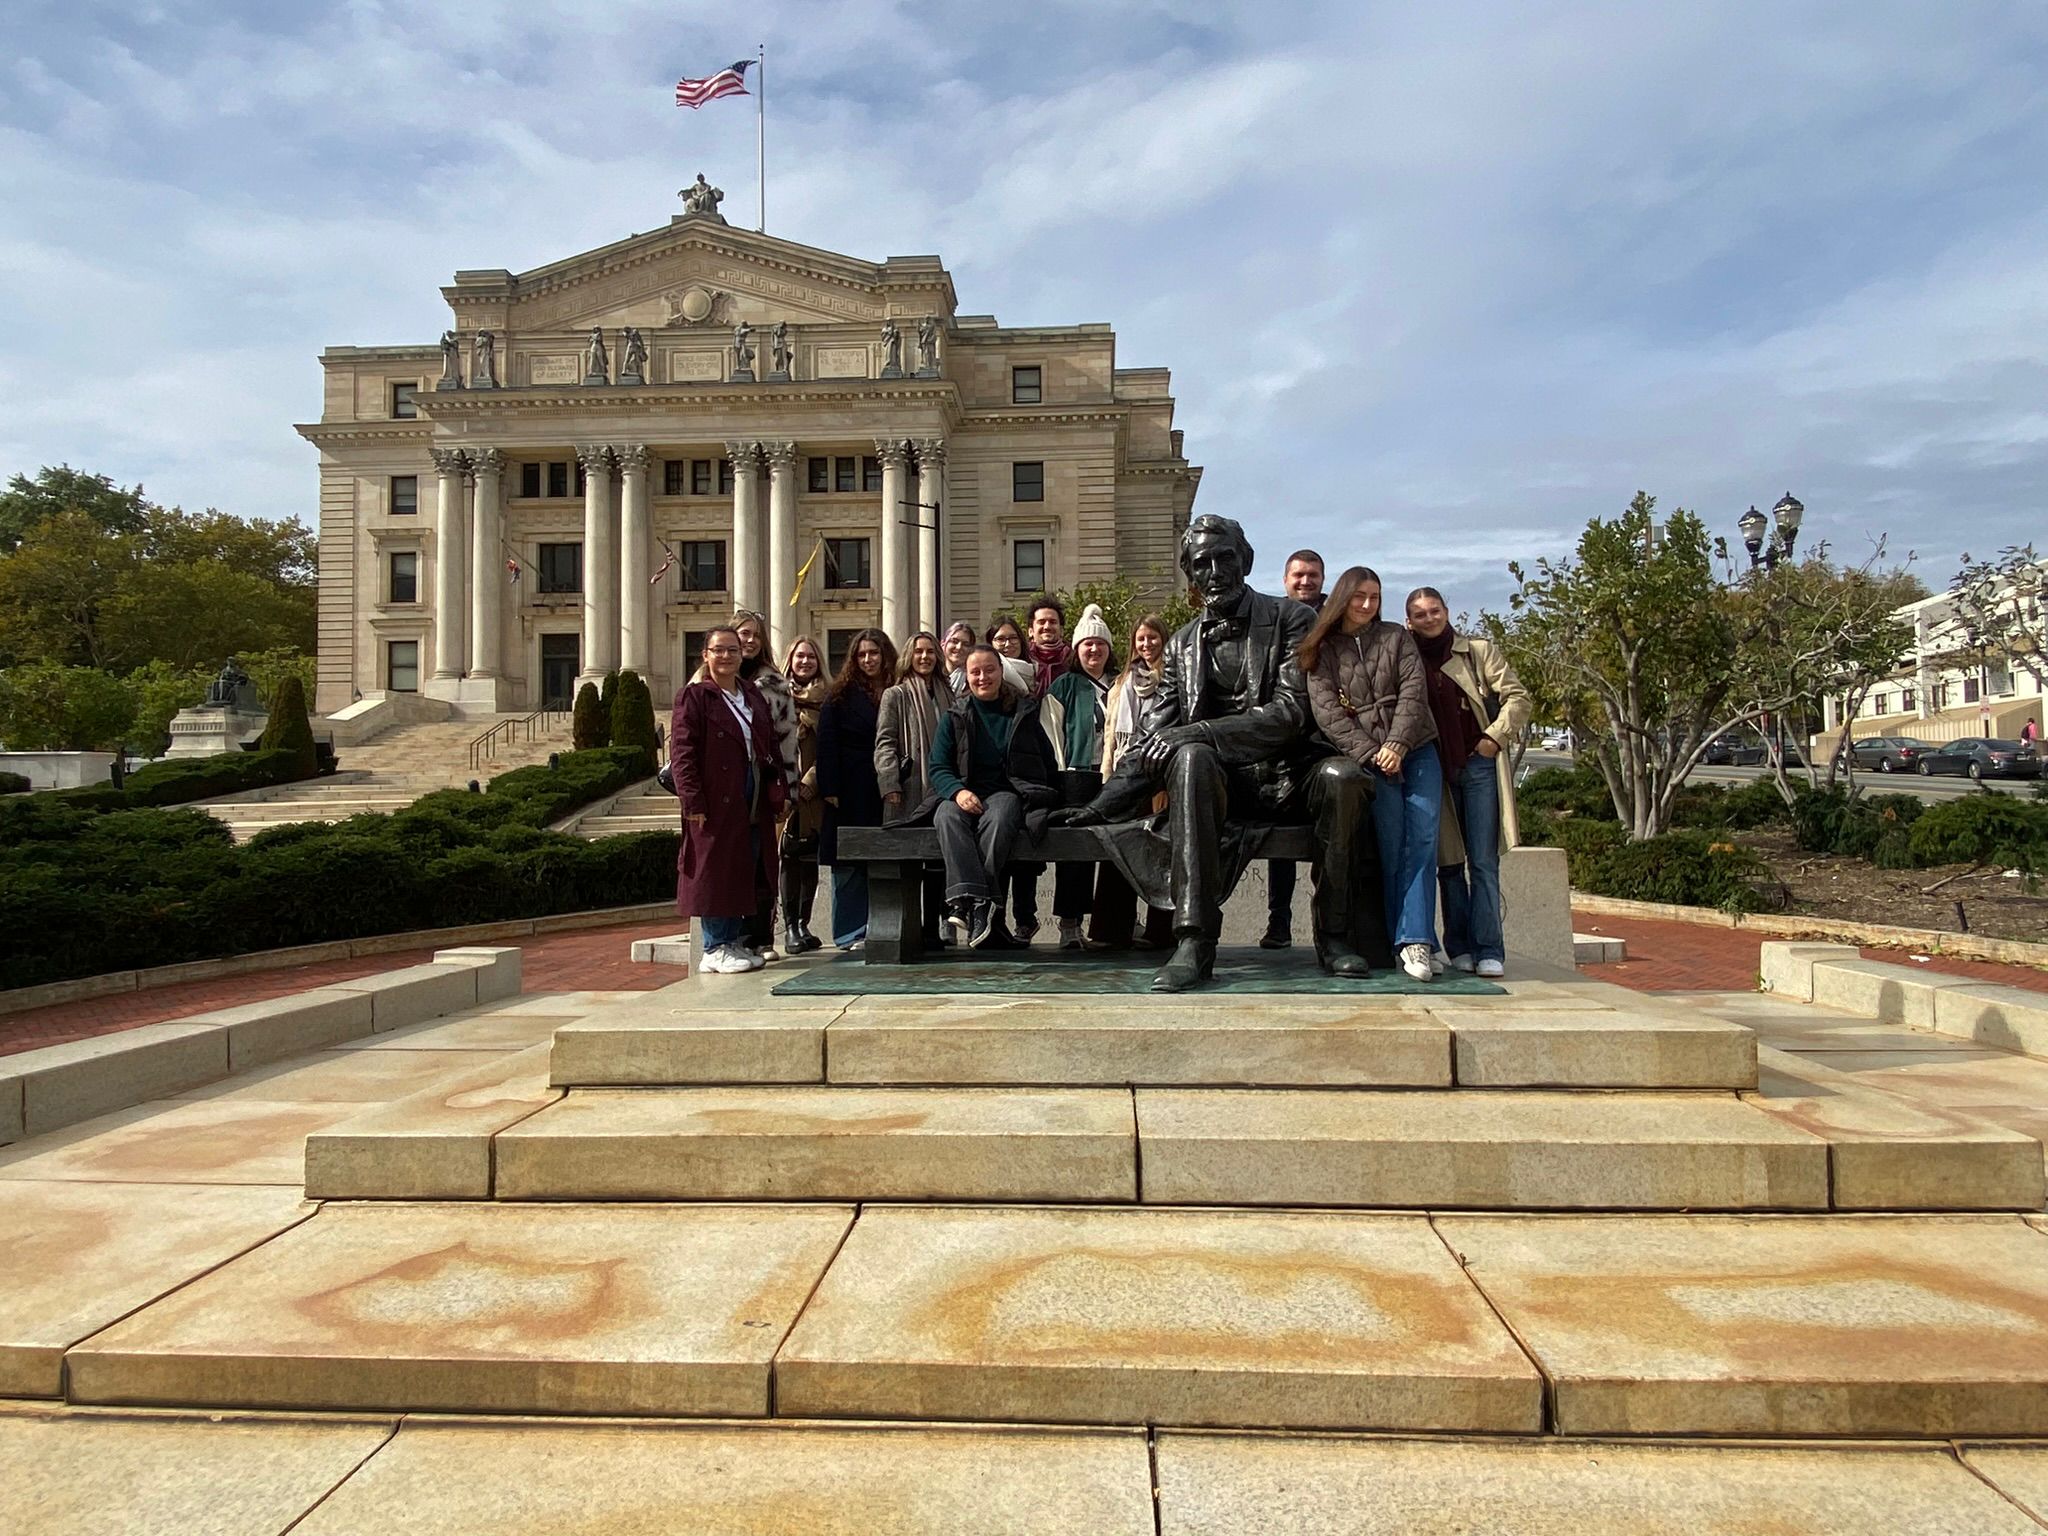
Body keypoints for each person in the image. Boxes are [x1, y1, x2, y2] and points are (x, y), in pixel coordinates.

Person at [1063, 516, 1383, 991]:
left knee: (1344, 778)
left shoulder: (1293, 619)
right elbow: (1154, 740)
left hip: (1292, 774)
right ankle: (1194, 941)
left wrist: (1199, 732)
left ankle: (1334, 934)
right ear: (1189, 575)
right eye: (1200, 564)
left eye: (1224, 558)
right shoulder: (1180, 646)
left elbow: (1292, 712)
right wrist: (1098, 806)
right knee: (1189, 759)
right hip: (1219, 790)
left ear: (1246, 561)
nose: (1214, 572)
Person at [1301, 566, 1443, 983]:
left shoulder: (1395, 638)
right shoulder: (1322, 650)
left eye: (1375, 597)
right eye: (1359, 596)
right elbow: (1328, 715)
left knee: (1423, 841)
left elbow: (1415, 692)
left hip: (1416, 750)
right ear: (1343, 597)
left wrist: (1397, 744)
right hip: (1371, 761)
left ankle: (1415, 940)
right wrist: (1372, 752)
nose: (1366, 605)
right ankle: (1404, 938)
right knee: (1391, 842)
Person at [1406, 586, 1531, 979]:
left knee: (1482, 862)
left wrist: (1493, 738)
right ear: (1409, 620)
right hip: (1433, 769)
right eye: (1420, 614)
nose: (1430, 619)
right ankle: (1459, 946)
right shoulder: (1406, 657)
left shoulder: (1476, 652)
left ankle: (1489, 948)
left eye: (1435, 610)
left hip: (1476, 766)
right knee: (1448, 864)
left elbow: (1517, 697)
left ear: (1446, 611)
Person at [924, 644, 1063, 947]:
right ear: (967, 676)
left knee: (999, 818)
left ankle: (967, 901)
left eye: (989, 670)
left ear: (1002, 672)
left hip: (1008, 793)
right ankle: (979, 900)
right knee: (946, 815)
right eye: (975, 672)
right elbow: (938, 767)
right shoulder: (955, 716)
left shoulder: (1024, 713)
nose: (982, 677)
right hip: (964, 793)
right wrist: (957, 792)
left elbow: (1047, 762)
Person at [671, 626, 789, 974]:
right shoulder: (694, 697)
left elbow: (770, 745)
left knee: (746, 866)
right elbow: (683, 753)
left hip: (750, 791)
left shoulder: (750, 694)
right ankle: (714, 945)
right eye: (718, 650)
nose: (726, 657)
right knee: (715, 871)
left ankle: (734, 939)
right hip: (714, 798)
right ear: (705, 655)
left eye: (733, 650)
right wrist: (693, 802)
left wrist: (778, 788)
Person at [1088, 613, 1175, 950]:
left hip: (1162, 777)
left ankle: (1161, 930)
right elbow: (1112, 733)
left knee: (1161, 851)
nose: (1146, 644)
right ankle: (1111, 931)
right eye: (1141, 638)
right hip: (1126, 774)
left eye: (1153, 637)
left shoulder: (1174, 678)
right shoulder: (1122, 682)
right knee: (1118, 849)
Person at [816, 628, 896, 950]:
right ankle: (849, 932)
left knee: (885, 862)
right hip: (849, 788)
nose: (868, 660)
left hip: (889, 787)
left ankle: (882, 926)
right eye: (861, 654)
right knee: (848, 865)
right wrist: (830, 787)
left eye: (873, 653)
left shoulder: (898, 690)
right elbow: (826, 744)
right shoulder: (839, 695)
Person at [1044, 604, 1117, 949]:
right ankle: (1070, 925)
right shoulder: (1065, 686)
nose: (1094, 649)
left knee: (1118, 847)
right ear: (1077, 649)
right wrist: (1062, 774)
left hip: (1115, 778)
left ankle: (1115, 923)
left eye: (1100, 644)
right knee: (1074, 853)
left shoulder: (1120, 685)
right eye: (1087, 644)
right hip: (1075, 778)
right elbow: (1053, 733)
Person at [727, 609, 799, 956]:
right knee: (728, 863)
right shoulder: (708, 682)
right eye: (743, 633)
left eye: (755, 634)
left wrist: (788, 789)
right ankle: (731, 937)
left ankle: (760, 936)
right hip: (724, 786)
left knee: (762, 863)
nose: (749, 640)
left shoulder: (774, 683)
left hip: (762, 783)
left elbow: (786, 741)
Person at [1265, 549, 1327, 947]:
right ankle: (1279, 922)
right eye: (1299, 575)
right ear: (1285, 579)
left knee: (1327, 835)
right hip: (1279, 742)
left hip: (1326, 740)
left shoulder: (1333, 621)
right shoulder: (1271, 620)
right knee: (1279, 843)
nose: (1306, 582)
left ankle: (1327, 926)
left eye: (1313, 576)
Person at [876, 630, 954, 946]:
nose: (925, 657)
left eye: (930, 652)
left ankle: (934, 927)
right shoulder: (895, 695)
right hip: (908, 787)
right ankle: (909, 928)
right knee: (908, 859)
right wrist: (889, 782)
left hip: (943, 787)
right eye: (919, 651)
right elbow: (885, 742)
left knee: (938, 859)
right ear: (910, 655)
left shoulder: (949, 693)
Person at [985, 615, 1042, 938]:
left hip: (1026, 780)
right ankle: (997, 919)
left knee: (1025, 854)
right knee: (1001, 853)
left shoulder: (1034, 682)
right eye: (1000, 640)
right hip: (995, 786)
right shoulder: (981, 683)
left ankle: (1025, 916)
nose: (1007, 644)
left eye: (1012, 639)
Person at [778, 636, 827, 952]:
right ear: (790, 661)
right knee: (787, 859)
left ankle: (804, 925)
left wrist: (811, 780)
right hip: (783, 793)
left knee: (809, 857)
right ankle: (790, 926)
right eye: (800, 657)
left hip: (814, 792)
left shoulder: (829, 700)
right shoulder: (775, 698)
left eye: (811, 656)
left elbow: (833, 746)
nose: (805, 662)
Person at [1024, 595, 1071, 698]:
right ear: (1030, 631)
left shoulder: (1072, 659)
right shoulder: (1023, 657)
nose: (1047, 627)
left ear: (1062, 630)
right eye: (1041, 622)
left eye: (1053, 622)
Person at [941, 620, 977, 692]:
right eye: (954, 641)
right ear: (943, 643)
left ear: (971, 649)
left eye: (966, 644)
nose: (959, 647)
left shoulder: (976, 680)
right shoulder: (932, 677)